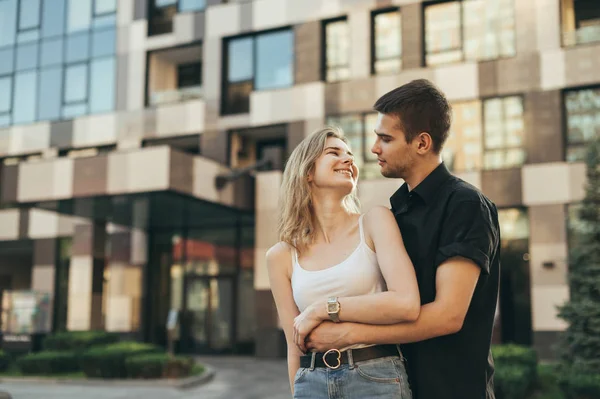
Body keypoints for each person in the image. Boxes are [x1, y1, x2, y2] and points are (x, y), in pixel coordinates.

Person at [303, 79, 501, 399]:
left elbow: (448, 315)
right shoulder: (396, 212)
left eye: (386, 138)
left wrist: (345, 332)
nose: (374, 148)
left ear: (421, 143)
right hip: (396, 388)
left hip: (453, 390)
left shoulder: (465, 205)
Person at [266, 126, 420, 398]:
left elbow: (406, 303)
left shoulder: (375, 221)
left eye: (349, 154)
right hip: (311, 382)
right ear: (308, 172)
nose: (349, 159)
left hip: (376, 377)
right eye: (334, 153)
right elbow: (294, 345)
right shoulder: (280, 256)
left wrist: (322, 309)